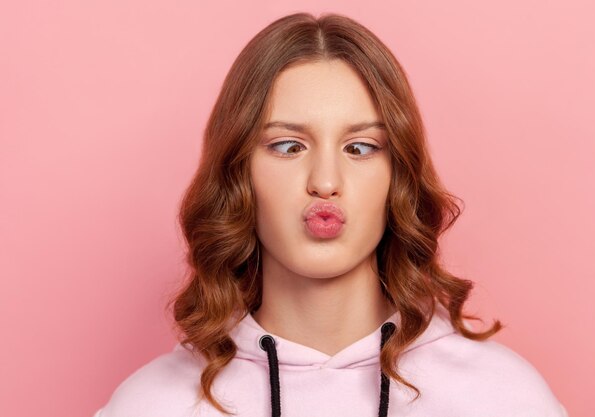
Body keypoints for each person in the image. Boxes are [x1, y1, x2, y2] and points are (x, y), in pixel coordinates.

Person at [93, 12, 568, 417]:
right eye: (288, 145)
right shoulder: (153, 404)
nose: (324, 180)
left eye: (360, 147)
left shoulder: (502, 398)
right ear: (240, 174)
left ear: (397, 175)